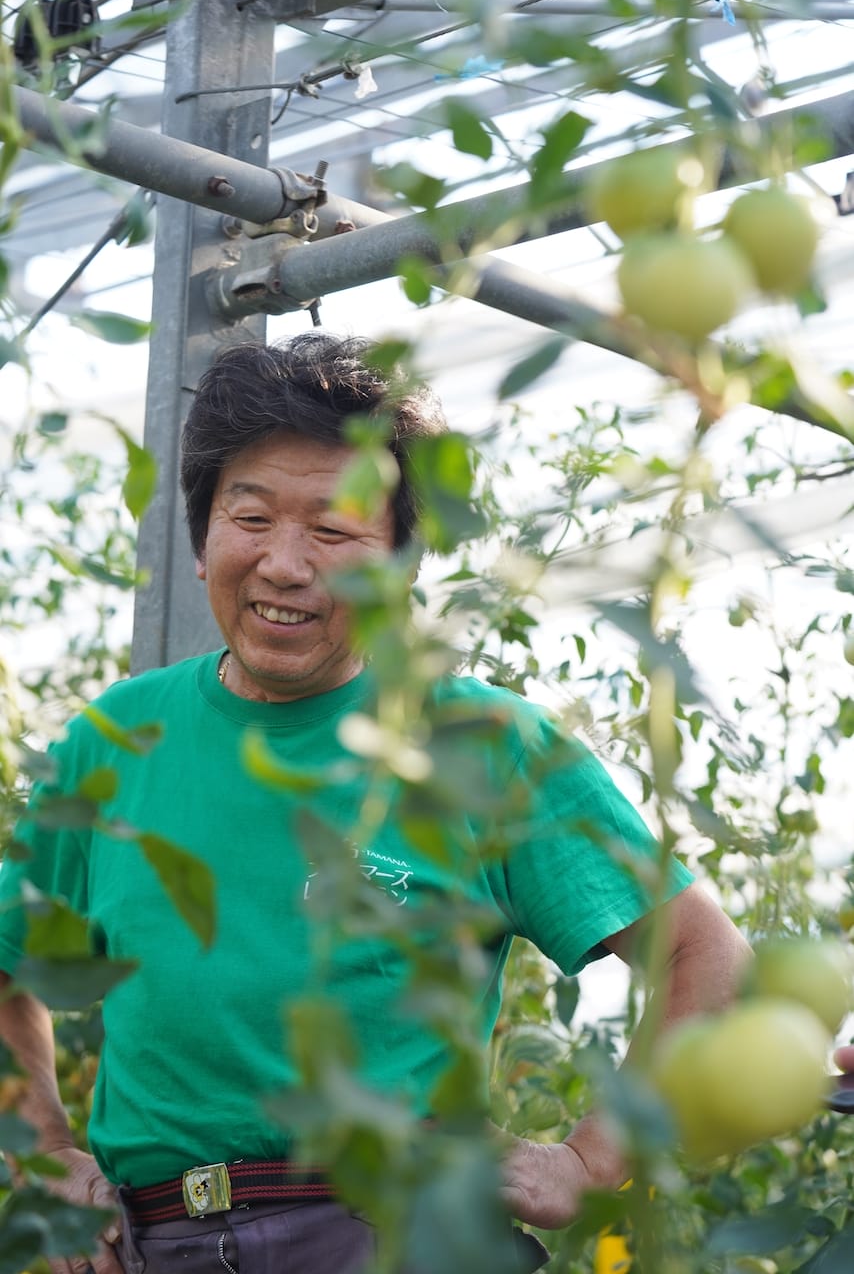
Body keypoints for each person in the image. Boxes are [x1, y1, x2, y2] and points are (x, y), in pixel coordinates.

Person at [0, 334, 751, 1274]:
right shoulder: (111, 746)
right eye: (253, 516)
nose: (283, 563)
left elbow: (705, 952)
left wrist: (593, 1162)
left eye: (333, 530)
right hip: (155, 1246)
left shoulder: (484, 745)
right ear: (202, 541)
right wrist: (44, 1153)